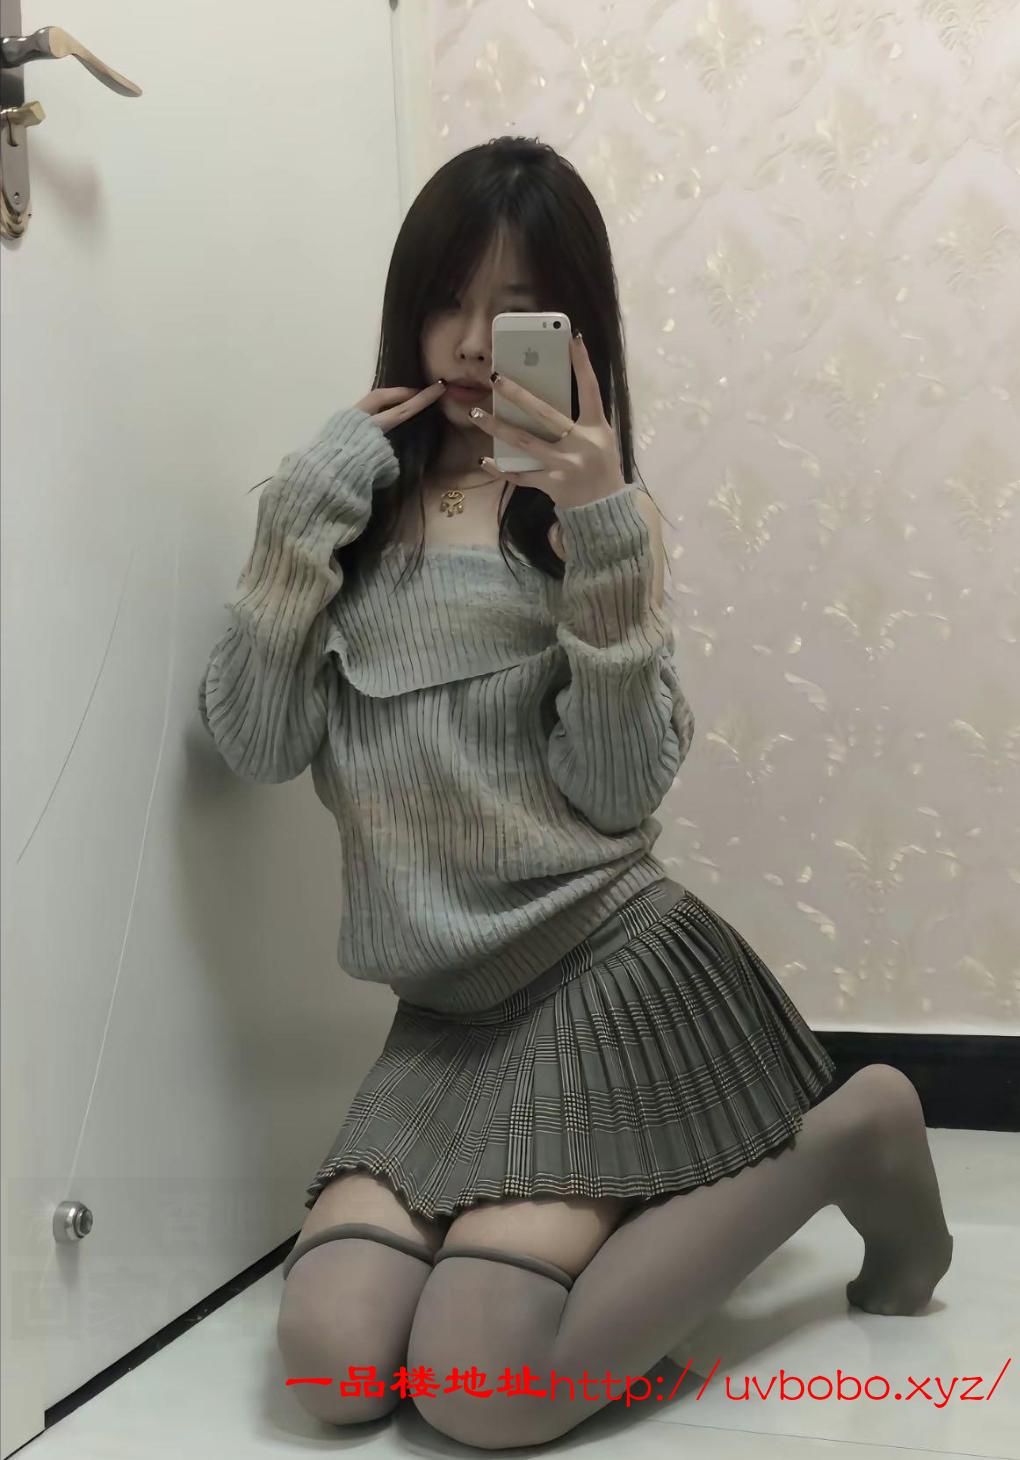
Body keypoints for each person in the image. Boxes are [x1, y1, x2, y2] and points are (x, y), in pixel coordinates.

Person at [199, 137, 953, 1449]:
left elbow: (614, 793)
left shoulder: (594, 522)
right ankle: (620, 1198)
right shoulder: (342, 516)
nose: (470, 343)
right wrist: (296, 520)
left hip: (602, 978)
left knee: (483, 1392)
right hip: (441, 1021)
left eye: (514, 312)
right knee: (331, 1372)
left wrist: (600, 525)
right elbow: (256, 744)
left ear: (573, 330)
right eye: (448, 300)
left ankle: (851, 1135)